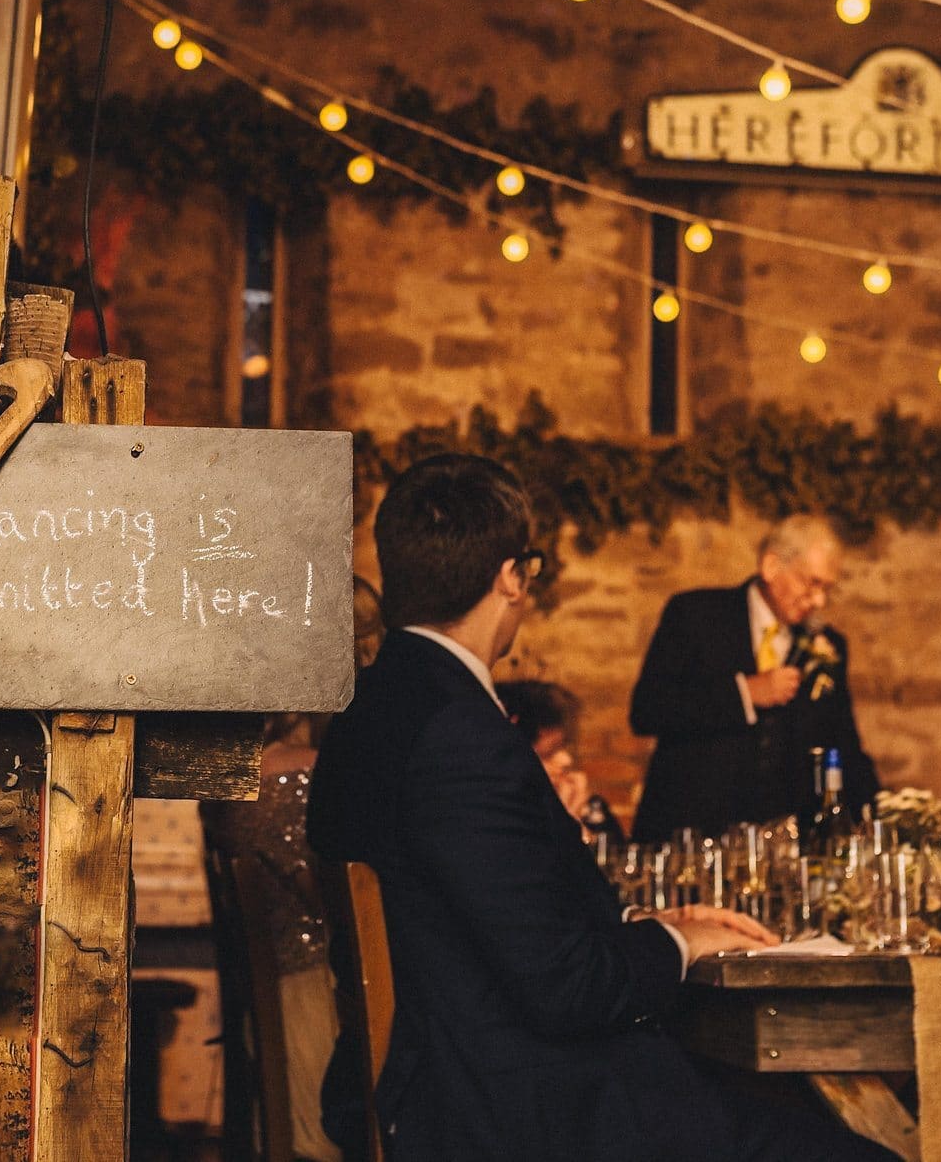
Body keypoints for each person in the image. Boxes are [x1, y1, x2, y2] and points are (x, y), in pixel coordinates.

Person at [308, 454, 896, 1162]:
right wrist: (682, 943)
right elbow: (567, 988)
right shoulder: (458, 733)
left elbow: (490, 911)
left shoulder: (371, 709)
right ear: (511, 575)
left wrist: (646, 920)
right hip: (513, 1107)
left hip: (457, 1072)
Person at [198, 578, 386, 1162]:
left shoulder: (233, 774)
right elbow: (343, 906)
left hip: (272, 1002)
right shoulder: (313, 774)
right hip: (320, 1002)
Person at [629, 515, 879, 843]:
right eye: (811, 583)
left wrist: (881, 817)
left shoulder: (828, 647)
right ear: (772, 566)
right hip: (692, 830)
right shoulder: (696, 615)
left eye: (827, 589)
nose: (818, 601)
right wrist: (744, 693)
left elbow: (842, 742)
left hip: (782, 842)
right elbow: (648, 710)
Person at [499, 678, 613, 837]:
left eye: (565, 746)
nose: (566, 760)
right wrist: (566, 819)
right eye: (549, 752)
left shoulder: (592, 807)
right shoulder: (502, 812)